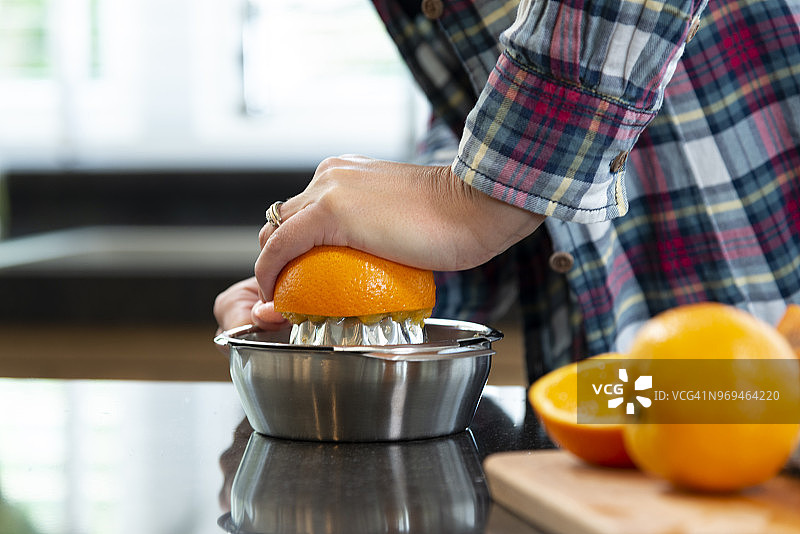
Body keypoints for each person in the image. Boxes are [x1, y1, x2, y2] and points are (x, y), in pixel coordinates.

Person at [215, 0, 800, 383]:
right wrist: (381, 277)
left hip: (769, 344)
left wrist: (468, 199)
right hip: (620, 398)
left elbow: (484, 189)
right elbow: (479, 100)